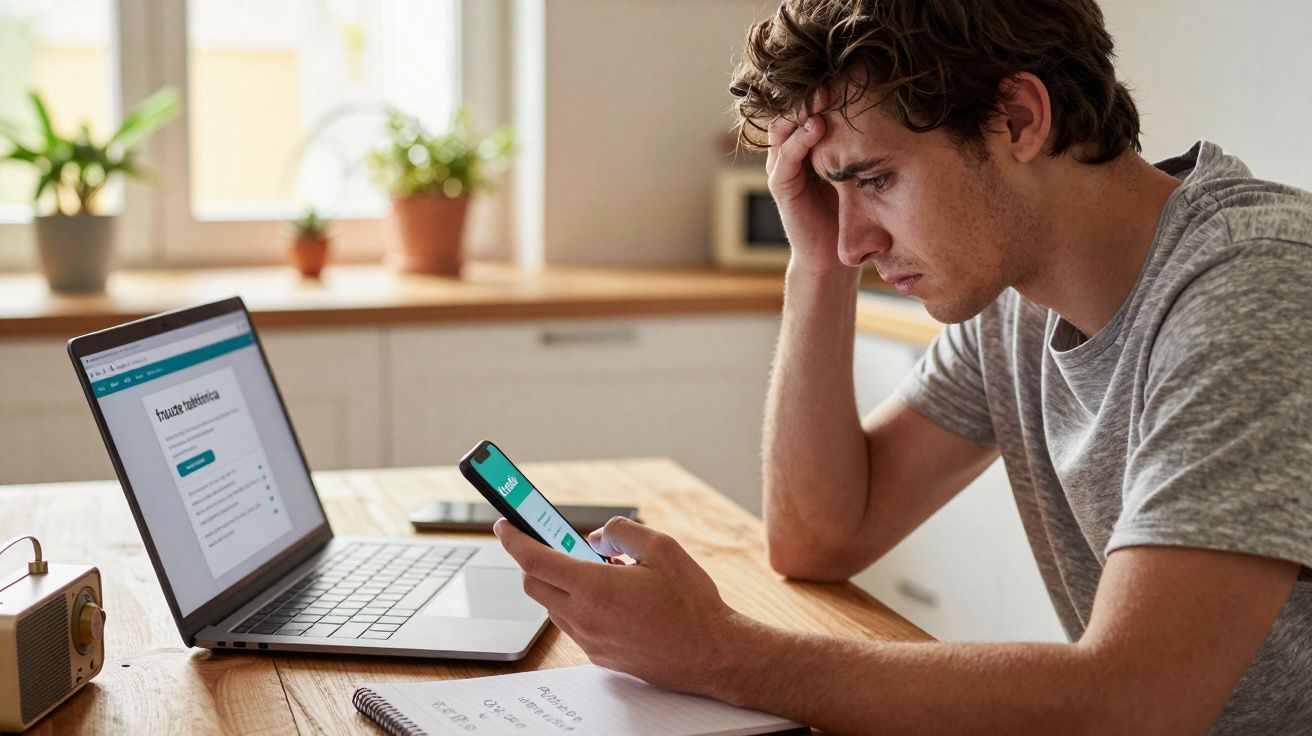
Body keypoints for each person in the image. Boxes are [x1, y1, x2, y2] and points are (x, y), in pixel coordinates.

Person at [493, 0, 1312, 732]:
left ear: (1019, 118)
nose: (856, 240)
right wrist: (815, 265)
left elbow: (1135, 701)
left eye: (875, 179)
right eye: (830, 192)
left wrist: (721, 654)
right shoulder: (1015, 298)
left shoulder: (1257, 287)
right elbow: (822, 536)